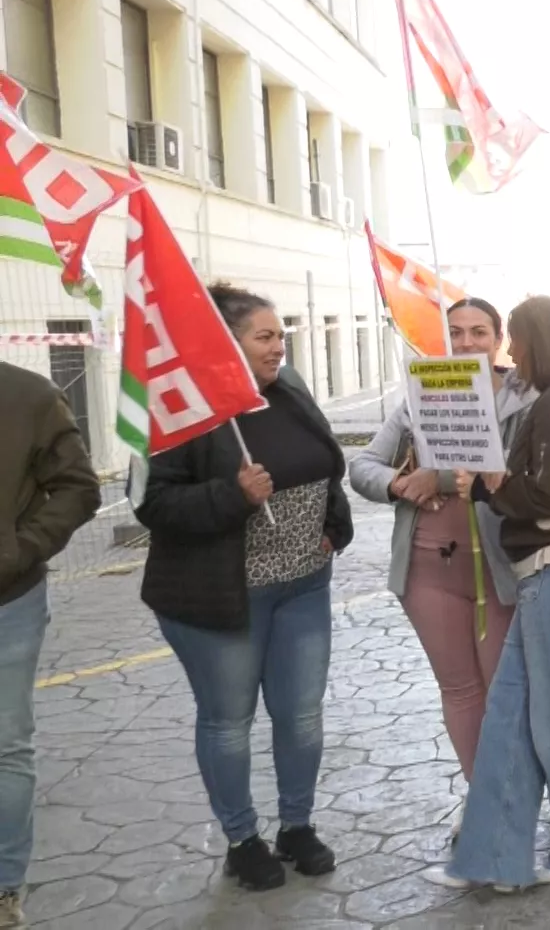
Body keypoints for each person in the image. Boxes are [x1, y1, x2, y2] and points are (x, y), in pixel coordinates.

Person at [135, 283, 351, 892]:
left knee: (301, 716)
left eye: (281, 335)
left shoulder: (290, 387)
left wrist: (334, 525)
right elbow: (151, 502)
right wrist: (234, 495)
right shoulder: (180, 405)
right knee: (229, 721)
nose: (279, 346)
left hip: (305, 585)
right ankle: (241, 839)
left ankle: (297, 827)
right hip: (223, 599)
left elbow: (324, 463)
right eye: (265, 336)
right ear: (222, 341)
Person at [426, 295, 550, 891]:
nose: (511, 351)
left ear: (545, 341)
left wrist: (495, 482)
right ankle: (491, 859)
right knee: (510, 719)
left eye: (517, 338)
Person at [349, 298, 537, 800]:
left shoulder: (527, 399)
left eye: (479, 331)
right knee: (459, 690)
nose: (468, 342)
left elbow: (537, 480)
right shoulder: (421, 395)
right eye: (457, 333)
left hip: (499, 569)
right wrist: (400, 483)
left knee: (505, 692)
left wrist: (459, 478)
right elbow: (362, 468)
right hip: (428, 570)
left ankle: (515, 800)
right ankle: (484, 802)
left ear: (499, 340)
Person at [0, 364, 102, 927]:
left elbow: (78, 487)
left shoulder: (29, 395)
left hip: (7, 600)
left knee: (5, 744)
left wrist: (21, 550)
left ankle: (3, 889)